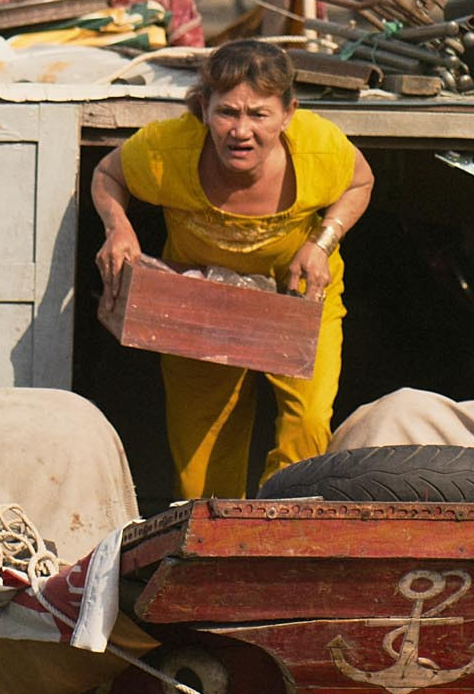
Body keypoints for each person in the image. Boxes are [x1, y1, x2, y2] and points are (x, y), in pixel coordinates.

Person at [93, 40, 373, 500]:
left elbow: (362, 181)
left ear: (288, 114)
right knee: (200, 453)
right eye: (227, 112)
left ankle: (280, 533)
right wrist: (118, 228)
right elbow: (107, 176)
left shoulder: (320, 150)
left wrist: (322, 241)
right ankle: (216, 548)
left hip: (299, 296)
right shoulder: (167, 151)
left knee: (308, 424)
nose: (240, 131)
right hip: (200, 302)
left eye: (259, 115)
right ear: (204, 108)